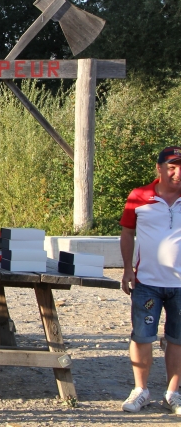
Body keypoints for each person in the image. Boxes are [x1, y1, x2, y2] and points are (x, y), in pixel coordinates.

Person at [120, 146, 181, 414]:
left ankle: (173, 393)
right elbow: (126, 233)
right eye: (172, 167)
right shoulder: (139, 196)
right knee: (143, 336)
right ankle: (140, 390)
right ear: (159, 169)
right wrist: (126, 269)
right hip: (146, 283)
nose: (177, 173)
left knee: (178, 339)